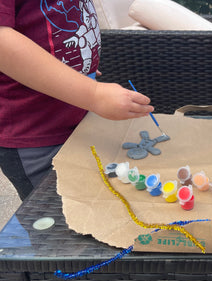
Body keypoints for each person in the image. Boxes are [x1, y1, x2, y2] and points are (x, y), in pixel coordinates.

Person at [0, 0, 154, 201]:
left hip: (79, 118)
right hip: (37, 136)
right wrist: (93, 93)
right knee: (62, 219)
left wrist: (80, 64)